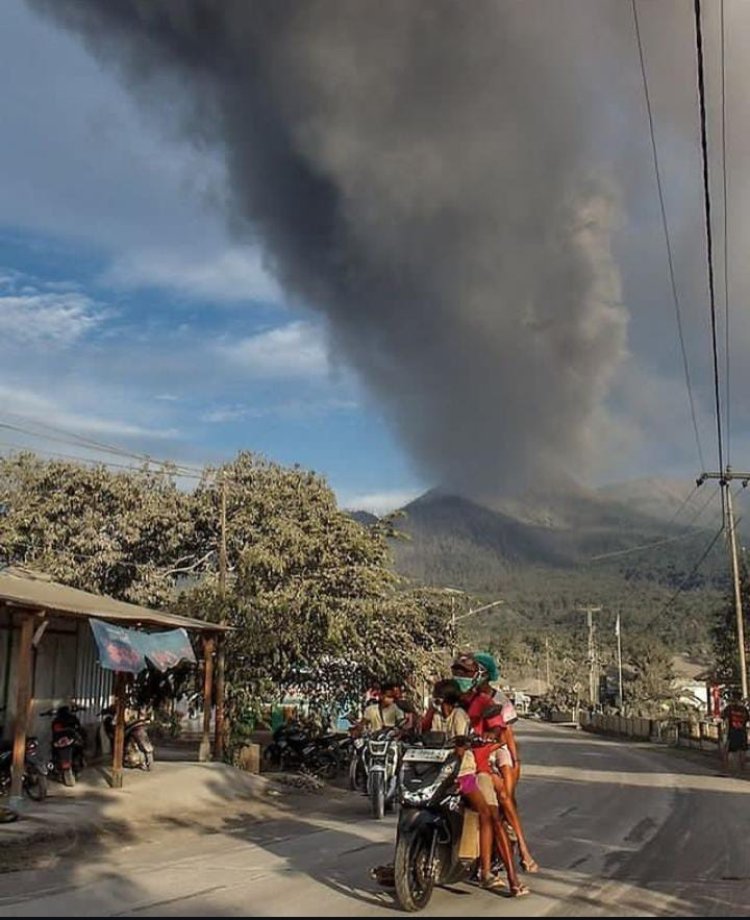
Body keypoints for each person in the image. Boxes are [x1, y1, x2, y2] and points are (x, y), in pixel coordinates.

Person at [453, 651, 539, 874]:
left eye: (469, 671)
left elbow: (505, 734)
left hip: (495, 750)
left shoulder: (498, 700)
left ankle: (522, 847)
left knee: (502, 797)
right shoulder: (462, 697)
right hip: (472, 752)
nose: (463, 676)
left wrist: (514, 759)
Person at [721, 690, 749, 774]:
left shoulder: (729, 708)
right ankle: (742, 769)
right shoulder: (744, 709)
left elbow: (724, 718)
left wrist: (725, 732)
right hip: (742, 732)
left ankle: (726, 769)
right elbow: (747, 720)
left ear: (733, 698)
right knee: (742, 750)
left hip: (732, 732)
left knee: (726, 750)